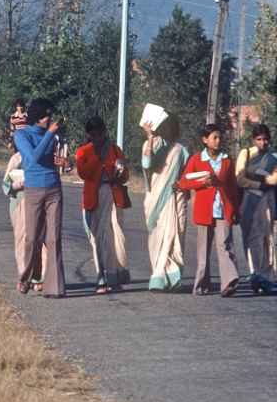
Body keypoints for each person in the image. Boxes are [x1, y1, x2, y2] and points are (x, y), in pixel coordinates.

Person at [178, 124, 241, 297]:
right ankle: (201, 285)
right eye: (214, 137)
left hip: (224, 209)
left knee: (225, 245)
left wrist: (236, 209)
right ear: (205, 140)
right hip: (204, 210)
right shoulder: (196, 159)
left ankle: (229, 282)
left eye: (220, 137)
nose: (218, 141)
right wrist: (202, 183)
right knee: (203, 250)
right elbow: (184, 183)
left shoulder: (227, 160)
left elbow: (233, 187)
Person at [13, 98, 66, 298]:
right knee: (32, 237)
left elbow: (50, 158)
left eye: (50, 116)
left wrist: (65, 162)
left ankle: (54, 287)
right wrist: (50, 134)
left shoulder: (51, 135)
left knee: (54, 239)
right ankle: (26, 277)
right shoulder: (21, 134)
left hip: (53, 189)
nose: (48, 120)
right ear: (37, 116)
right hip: (34, 190)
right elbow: (33, 157)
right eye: (45, 116)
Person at [75, 116, 131, 294]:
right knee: (97, 238)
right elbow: (83, 173)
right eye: (93, 134)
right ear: (89, 135)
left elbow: (125, 176)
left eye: (100, 133)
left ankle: (112, 277)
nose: (97, 137)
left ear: (104, 132)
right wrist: (98, 158)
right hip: (93, 196)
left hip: (112, 195)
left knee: (111, 237)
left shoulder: (114, 149)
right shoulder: (84, 151)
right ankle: (102, 276)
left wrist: (121, 169)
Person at [141, 114, 189, 292]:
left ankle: (161, 276)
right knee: (157, 237)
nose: (168, 129)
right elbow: (146, 164)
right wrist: (150, 138)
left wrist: (182, 187)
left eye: (171, 126)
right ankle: (161, 273)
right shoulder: (152, 144)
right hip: (154, 199)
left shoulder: (181, 151)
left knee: (173, 235)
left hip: (176, 198)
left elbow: (186, 175)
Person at [235, 123, 277, 294]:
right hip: (249, 200)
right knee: (250, 238)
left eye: (265, 139)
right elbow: (240, 179)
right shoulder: (245, 154)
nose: (263, 142)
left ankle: (266, 276)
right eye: (259, 139)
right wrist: (259, 183)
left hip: (267, 201)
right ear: (253, 140)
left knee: (267, 238)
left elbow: (275, 178)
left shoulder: (272, 157)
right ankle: (255, 273)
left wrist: (267, 180)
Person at [3, 143, 46, 292]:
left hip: (39, 202)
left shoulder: (43, 155)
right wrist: (17, 185)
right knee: (22, 240)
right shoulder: (16, 159)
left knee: (40, 241)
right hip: (19, 203)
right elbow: (5, 185)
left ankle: (39, 277)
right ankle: (24, 277)